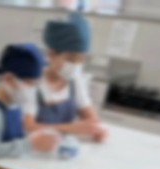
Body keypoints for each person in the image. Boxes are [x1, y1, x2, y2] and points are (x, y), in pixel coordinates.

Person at [23, 12, 107, 142]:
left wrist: (97, 129)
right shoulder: (32, 82)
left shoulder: (76, 81)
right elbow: (28, 127)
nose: (76, 65)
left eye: (81, 59)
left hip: (61, 149)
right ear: (52, 54)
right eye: (71, 59)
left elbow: (90, 118)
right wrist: (71, 128)